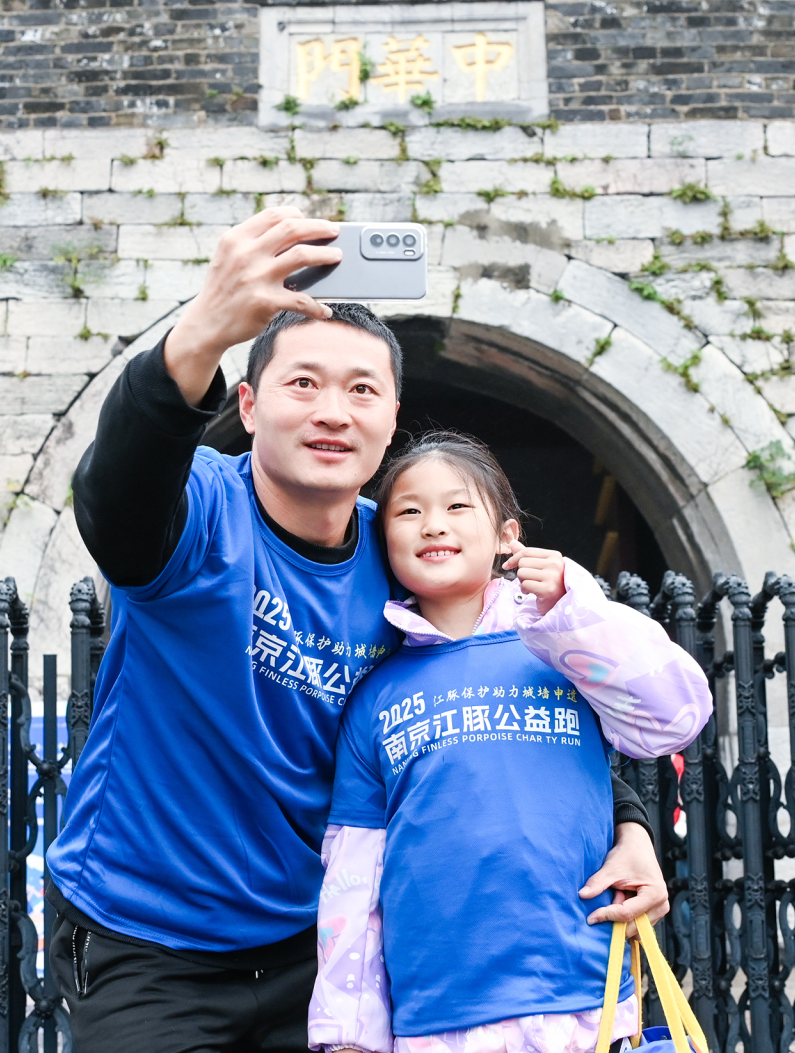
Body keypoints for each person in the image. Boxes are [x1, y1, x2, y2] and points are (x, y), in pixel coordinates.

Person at [46, 207, 676, 1052]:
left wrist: (631, 824)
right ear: (248, 404)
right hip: (150, 937)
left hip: (318, 947)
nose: (334, 411)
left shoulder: (405, 556)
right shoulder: (197, 510)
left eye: (362, 390)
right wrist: (202, 330)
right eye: (303, 383)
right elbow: (115, 495)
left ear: (392, 416)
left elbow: (508, 685)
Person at [309, 433, 712, 1053]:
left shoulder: (559, 646)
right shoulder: (373, 696)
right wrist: (348, 1033)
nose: (433, 524)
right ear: (384, 540)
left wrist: (576, 608)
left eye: (457, 506)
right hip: (437, 1015)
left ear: (507, 535)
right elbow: (354, 871)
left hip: (583, 997)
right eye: (409, 511)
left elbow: (674, 717)